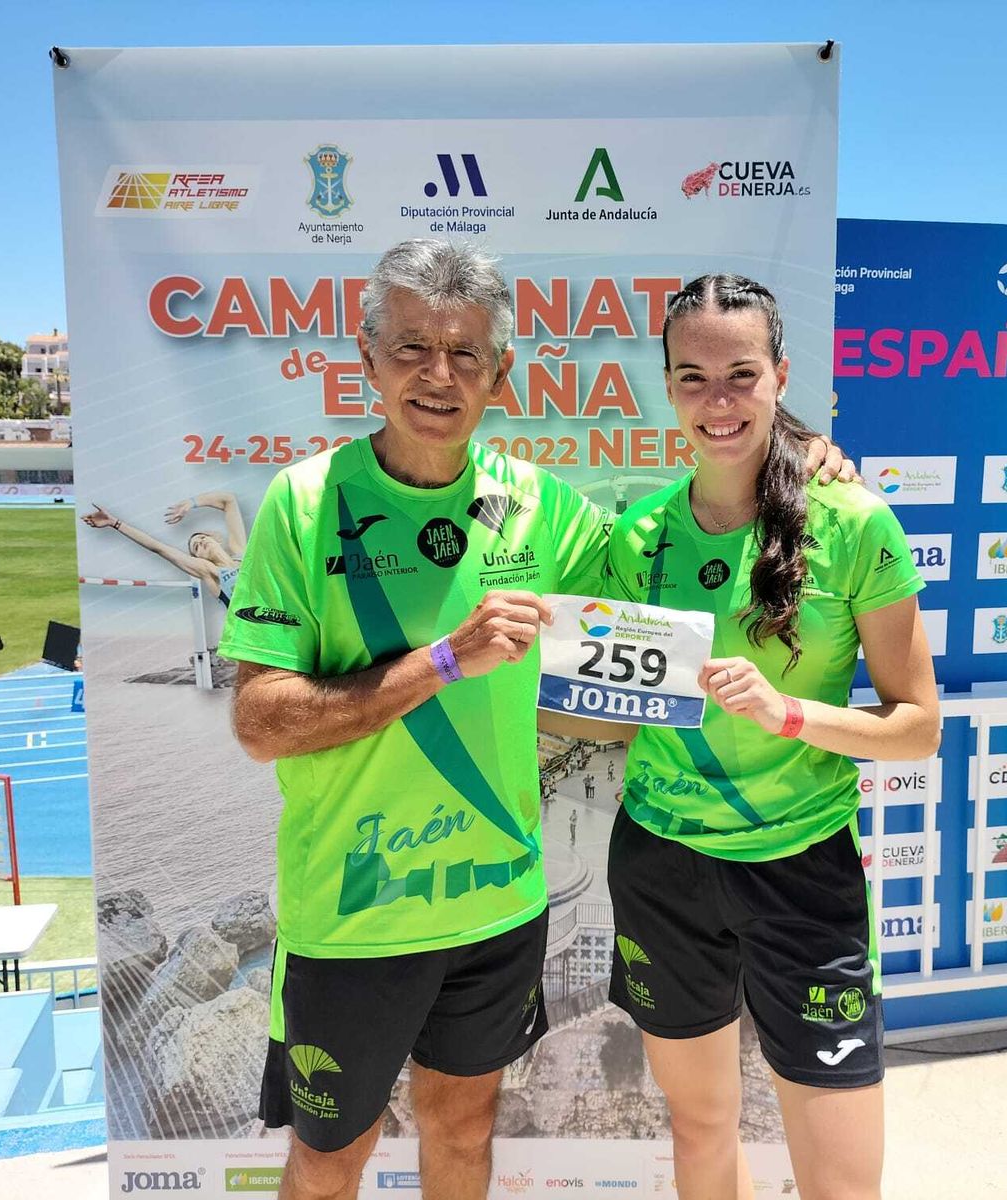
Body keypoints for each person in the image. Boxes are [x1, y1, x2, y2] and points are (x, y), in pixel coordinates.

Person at [219, 240, 856, 1200]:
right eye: (411, 348)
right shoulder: (305, 504)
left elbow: (673, 550)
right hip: (352, 913)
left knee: (465, 1134)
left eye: (466, 353)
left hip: (498, 906)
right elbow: (261, 722)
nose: (439, 375)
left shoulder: (539, 506)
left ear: (501, 372)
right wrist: (441, 660)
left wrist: (798, 452)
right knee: (326, 1159)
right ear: (366, 359)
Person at [602, 275, 942, 1200]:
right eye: (694, 377)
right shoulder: (632, 539)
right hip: (663, 865)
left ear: (781, 375)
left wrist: (787, 713)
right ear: (666, 387)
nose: (719, 401)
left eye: (742, 374)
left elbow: (916, 730)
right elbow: (588, 702)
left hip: (802, 872)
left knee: (839, 1182)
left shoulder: (856, 522)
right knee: (703, 1126)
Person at [81, 490, 247, 603]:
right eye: (196, 548)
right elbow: (158, 547)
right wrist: (115, 523)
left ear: (215, 539)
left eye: (203, 538)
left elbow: (229, 500)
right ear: (198, 559)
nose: (201, 542)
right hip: (248, 643)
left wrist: (191, 503)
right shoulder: (209, 572)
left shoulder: (241, 553)